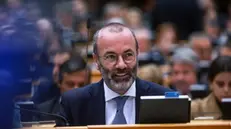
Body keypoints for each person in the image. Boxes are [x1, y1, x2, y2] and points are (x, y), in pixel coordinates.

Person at [56, 23, 172, 126]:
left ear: (137, 54)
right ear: (96, 60)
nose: (121, 65)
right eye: (111, 57)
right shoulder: (74, 103)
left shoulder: (163, 99)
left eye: (128, 55)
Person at [37, 55, 90, 121]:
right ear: (59, 83)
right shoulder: (43, 112)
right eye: (70, 84)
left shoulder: (97, 110)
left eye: (81, 85)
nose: (76, 90)